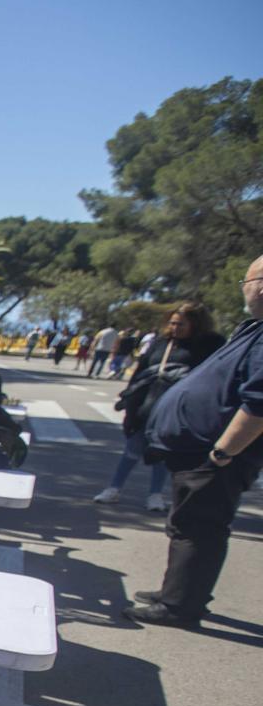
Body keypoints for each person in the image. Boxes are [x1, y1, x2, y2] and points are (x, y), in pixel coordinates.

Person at [123, 256, 263, 627]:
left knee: (199, 527)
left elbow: (259, 403)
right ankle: (178, 591)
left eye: (245, 281)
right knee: (186, 524)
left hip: (217, 454)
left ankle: (179, 606)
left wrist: (222, 453)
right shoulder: (254, 329)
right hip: (201, 450)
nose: (244, 288)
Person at [99, 302, 224, 511]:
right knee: (132, 449)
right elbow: (141, 373)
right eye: (173, 323)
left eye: (181, 324)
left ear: (196, 324)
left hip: (178, 411)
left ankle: (155, 495)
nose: (175, 328)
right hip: (147, 406)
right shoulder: (161, 343)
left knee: (162, 452)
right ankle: (113, 488)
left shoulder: (208, 345)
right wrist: (130, 404)